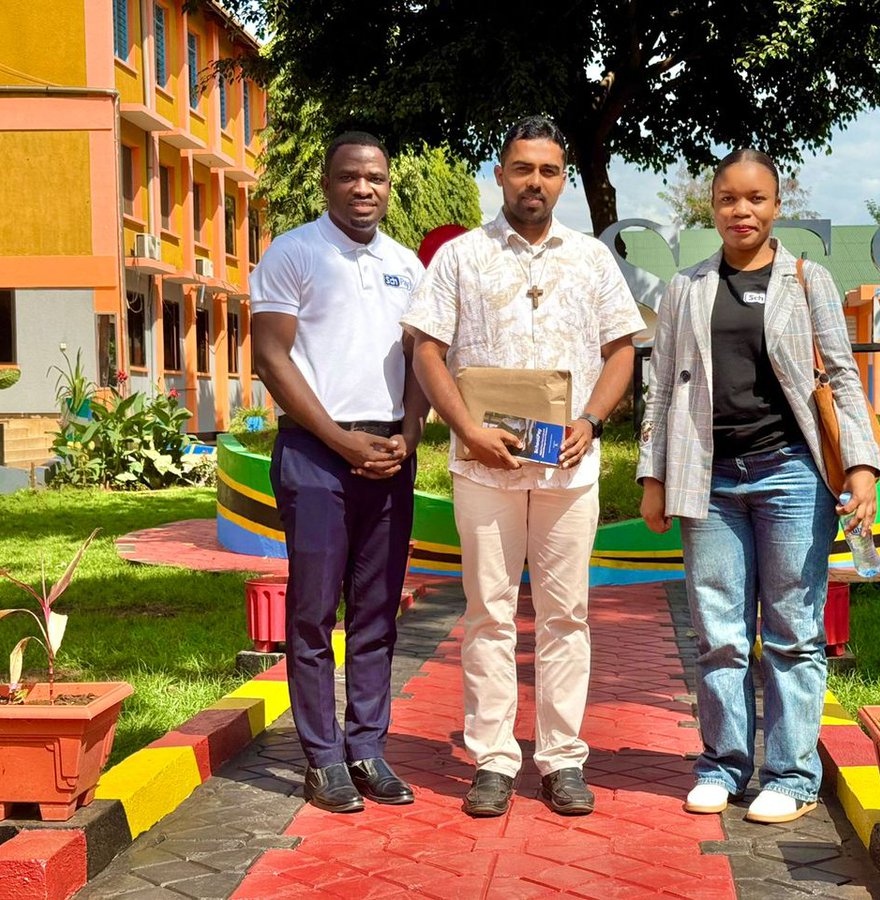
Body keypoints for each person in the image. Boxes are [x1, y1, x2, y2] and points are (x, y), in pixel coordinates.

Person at [403, 116, 644, 818]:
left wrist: (590, 422)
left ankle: (563, 758)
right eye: (521, 168)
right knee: (489, 612)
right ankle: (493, 759)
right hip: (485, 469)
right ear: (500, 174)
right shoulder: (460, 258)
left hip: (568, 470)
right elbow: (426, 349)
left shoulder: (592, 260)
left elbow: (622, 349)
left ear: (562, 179)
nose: (534, 181)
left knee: (568, 614)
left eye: (547, 170)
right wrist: (466, 430)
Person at [637, 149, 880, 824]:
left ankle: (792, 775)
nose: (741, 211)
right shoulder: (686, 287)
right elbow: (661, 389)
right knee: (718, 633)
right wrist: (652, 475)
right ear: (711, 206)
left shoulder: (806, 280)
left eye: (755, 199)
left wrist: (861, 466)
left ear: (777, 205)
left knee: (793, 631)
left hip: (791, 475)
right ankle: (722, 765)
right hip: (708, 478)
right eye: (727, 199)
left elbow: (842, 374)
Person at [251, 131, 427, 813]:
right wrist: (340, 440)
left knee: (378, 610)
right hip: (316, 452)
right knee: (314, 612)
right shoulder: (294, 253)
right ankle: (322, 759)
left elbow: (423, 360)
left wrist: (409, 434)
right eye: (350, 176)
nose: (363, 188)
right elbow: (271, 358)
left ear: (388, 187)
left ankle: (368, 749)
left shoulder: (408, 265)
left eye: (375, 178)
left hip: (389, 454)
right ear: (327, 183)